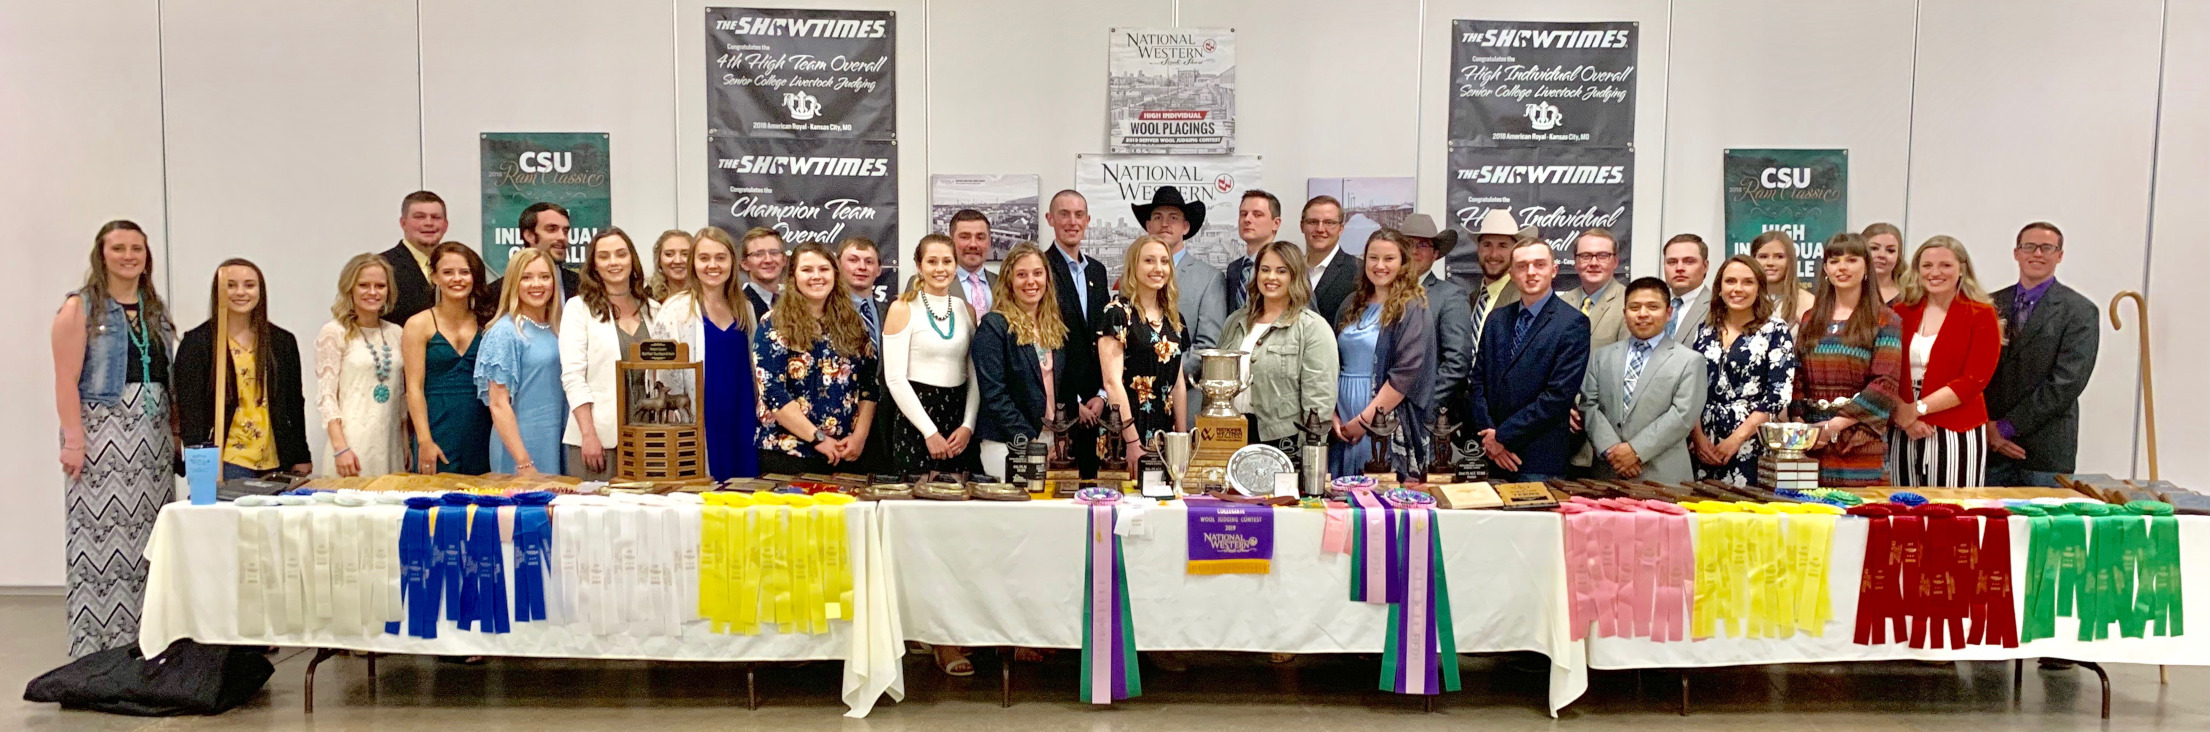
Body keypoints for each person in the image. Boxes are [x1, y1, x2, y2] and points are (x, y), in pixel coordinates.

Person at [50, 220, 176, 657]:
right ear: (101, 255)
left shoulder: (155, 310)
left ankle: (148, 637)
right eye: (118, 248)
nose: (128, 256)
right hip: (102, 434)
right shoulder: (79, 308)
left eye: (136, 248)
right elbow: (66, 380)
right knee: (100, 536)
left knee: (151, 539)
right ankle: (97, 646)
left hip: (153, 440)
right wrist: (73, 440)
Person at [1467, 236, 1592, 483]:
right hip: (1490, 458)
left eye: (1539, 264)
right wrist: (1489, 439)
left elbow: (1557, 397)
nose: (1531, 272)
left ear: (1554, 270)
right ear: (1512, 273)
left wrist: (1501, 437)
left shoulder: (1573, 323)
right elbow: (1477, 382)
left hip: (1538, 459)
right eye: (1522, 266)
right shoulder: (1495, 320)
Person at [175, 258, 312, 480]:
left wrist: (301, 454)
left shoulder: (282, 341)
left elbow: (294, 402)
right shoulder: (197, 343)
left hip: (276, 458)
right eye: (231, 285)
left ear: (260, 291)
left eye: (249, 285)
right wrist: (198, 462)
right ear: (218, 290)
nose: (241, 292)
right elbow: (190, 409)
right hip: (227, 460)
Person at [1986, 222, 2099, 487]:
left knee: (2044, 527)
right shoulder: (1987, 305)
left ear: (2059, 255)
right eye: (2029, 246)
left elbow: (2066, 383)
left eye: (2046, 248)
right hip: (1988, 448)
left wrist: (2006, 427)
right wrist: (1987, 429)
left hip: (2044, 450)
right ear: (2016, 253)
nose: (2037, 253)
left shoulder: (2080, 311)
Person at [1888, 236, 2003, 487]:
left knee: (1952, 513)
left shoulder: (1981, 314)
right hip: (1905, 428)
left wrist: (1918, 409)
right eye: (1927, 265)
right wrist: (1903, 414)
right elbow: (1885, 371)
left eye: (1945, 265)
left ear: (1962, 269)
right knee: (1903, 512)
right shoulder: (1901, 312)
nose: (1935, 272)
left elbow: (1975, 379)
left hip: (1957, 428)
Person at [755, 242, 880, 474]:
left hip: (845, 453)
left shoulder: (852, 323)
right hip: (789, 454)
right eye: (807, 270)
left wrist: (859, 438)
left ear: (835, 273)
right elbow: (773, 393)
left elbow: (869, 387)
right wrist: (818, 438)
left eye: (823, 269)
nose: (816, 276)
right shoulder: (774, 323)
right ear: (793, 277)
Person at [1790, 233, 1903, 487]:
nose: (1842, 267)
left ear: (1866, 267)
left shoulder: (1886, 319)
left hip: (1859, 440)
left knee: (1857, 520)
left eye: (1851, 260)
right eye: (1834, 260)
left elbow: (1884, 384)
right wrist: (1800, 425)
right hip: (1810, 443)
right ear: (1826, 269)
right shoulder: (1810, 318)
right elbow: (1797, 376)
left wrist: (1833, 426)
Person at [1329, 229, 1436, 479]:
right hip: (1341, 416)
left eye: (1389, 259)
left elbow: (1405, 375)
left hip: (1381, 420)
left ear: (1403, 263)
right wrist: (1330, 414)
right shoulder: (1351, 303)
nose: (1379, 266)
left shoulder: (1412, 307)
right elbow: (1330, 361)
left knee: (1375, 497)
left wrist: (1364, 422)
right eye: (1373, 258)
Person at [656, 227, 760, 480]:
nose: (713, 265)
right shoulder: (675, 310)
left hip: (741, 412)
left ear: (732, 262)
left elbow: (755, 364)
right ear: (693, 263)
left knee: (743, 491)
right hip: (700, 415)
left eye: (720, 257)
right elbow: (663, 374)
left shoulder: (745, 307)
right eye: (704, 258)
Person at [1581, 276, 1707, 484]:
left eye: (1652, 307)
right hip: (1608, 474)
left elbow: (1682, 416)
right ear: (1625, 313)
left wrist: (1635, 451)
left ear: (1668, 313)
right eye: (1634, 307)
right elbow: (1589, 406)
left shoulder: (1690, 360)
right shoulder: (1601, 357)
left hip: (1664, 477)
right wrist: (1613, 450)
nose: (1642, 314)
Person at [1219, 240, 1338, 459]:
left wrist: (1310, 455)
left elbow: (1319, 400)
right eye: (1265, 270)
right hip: (1231, 436)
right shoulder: (1235, 322)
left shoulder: (1313, 328)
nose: (1271, 277)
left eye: (1281, 271)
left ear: (1295, 276)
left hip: (1285, 441)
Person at [1689, 255, 1799, 486]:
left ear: (1759, 288)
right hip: (1704, 443)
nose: (1738, 289)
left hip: (1751, 440)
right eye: (1730, 281)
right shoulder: (1706, 329)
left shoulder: (1775, 330)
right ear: (1719, 288)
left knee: (1746, 516)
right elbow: (1691, 388)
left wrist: (1735, 440)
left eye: (1748, 282)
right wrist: (1698, 438)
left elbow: (1778, 395)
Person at [560, 228, 657, 480]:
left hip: (650, 434)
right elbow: (573, 377)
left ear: (632, 260)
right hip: (599, 438)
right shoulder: (578, 309)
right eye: (604, 256)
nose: (614, 262)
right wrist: (588, 435)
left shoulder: (654, 310)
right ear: (594, 265)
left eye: (620, 254)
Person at [883, 234, 981, 475]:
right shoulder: (901, 308)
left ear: (955, 266)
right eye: (932, 261)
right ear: (919, 266)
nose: (940, 269)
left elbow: (974, 375)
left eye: (947, 262)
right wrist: (929, 431)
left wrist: (968, 425)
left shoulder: (965, 310)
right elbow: (894, 378)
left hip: (957, 420)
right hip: (916, 417)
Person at [975, 242, 1070, 478]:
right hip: (1007, 443)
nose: (1031, 281)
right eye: (1021, 275)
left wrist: (1057, 436)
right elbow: (995, 394)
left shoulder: (1053, 326)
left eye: (1038, 273)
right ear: (1009, 281)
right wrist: (1029, 440)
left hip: (1048, 439)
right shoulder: (994, 325)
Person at [1136, 187, 1226, 431]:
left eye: (1173, 217)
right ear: (1148, 225)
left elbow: (1207, 346)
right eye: (1158, 217)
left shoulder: (1210, 278)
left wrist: (1162, 374)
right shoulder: (1132, 281)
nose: (1165, 224)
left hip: (1186, 403)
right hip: (1138, 406)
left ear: (1186, 227)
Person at [403, 242, 495, 474]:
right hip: (436, 428)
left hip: (482, 427)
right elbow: (413, 388)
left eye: (464, 272)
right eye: (448, 272)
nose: (457, 279)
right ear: (434, 277)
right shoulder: (418, 324)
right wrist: (424, 441)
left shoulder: (488, 323)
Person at [476, 248, 567, 475]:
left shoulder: (560, 329)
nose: (537, 284)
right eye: (526, 277)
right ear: (514, 283)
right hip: (521, 448)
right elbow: (498, 405)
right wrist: (523, 462)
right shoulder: (505, 333)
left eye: (544, 277)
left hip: (557, 440)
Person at [316, 254, 408, 477]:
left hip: (390, 444)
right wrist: (341, 448)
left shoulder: (396, 333)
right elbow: (326, 396)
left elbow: (402, 397)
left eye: (380, 285)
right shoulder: (334, 332)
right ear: (350, 289)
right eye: (364, 285)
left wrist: (405, 443)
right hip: (351, 448)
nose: (373, 292)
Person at [1100, 235, 1188, 466]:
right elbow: (1112, 383)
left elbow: (1177, 383)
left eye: (1164, 261)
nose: (1158, 268)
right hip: (1126, 431)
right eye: (1149, 261)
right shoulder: (1117, 314)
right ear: (1134, 266)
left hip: (1164, 429)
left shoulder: (1175, 320)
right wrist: (1132, 442)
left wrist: (1181, 438)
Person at [1046, 191, 1111, 478]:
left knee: (1097, 489)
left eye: (1078, 215)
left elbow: (1105, 338)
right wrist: (1072, 401)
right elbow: (1044, 341)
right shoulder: (1040, 269)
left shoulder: (1098, 270)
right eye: (1064, 214)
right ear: (1050, 219)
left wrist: (1101, 393)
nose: (1072, 222)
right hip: (1058, 404)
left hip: (1097, 404)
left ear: (1088, 220)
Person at [1401, 214, 1475, 446]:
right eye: (1408, 244)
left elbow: (1457, 361)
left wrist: (1427, 404)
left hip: (1424, 416)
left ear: (1435, 254)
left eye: (1423, 245)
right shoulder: (1381, 293)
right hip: (1381, 413)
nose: (1415, 251)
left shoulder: (1450, 296)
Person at [379, 190, 451, 326]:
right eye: (419, 217)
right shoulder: (383, 266)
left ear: (446, 225)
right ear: (403, 223)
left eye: (435, 217)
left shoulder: (460, 267)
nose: (429, 223)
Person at [489, 202, 581, 300]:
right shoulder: (495, 294)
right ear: (530, 236)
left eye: (565, 231)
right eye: (552, 229)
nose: (562, 237)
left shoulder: (582, 286)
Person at [1561, 227, 1628, 351]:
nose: (1593, 263)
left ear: (1615, 262)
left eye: (1602, 256)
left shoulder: (1628, 304)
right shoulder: (1561, 303)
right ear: (1575, 262)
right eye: (1586, 256)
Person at [1302, 195, 1360, 321]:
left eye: (1329, 223)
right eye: (1313, 222)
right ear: (1302, 226)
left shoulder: (1358, 272)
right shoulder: (1289, 269)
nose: (1320, 229)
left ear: (1340, 229)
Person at [1224, 189, 1282, 314]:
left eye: (1257, 214)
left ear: (1276, 223)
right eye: (1243, 214)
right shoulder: (1234, 269)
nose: (1247, 219)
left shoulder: (1288, 266)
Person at [1468, 209, 1522, 326]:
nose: (1493, 254)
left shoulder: (1523, 298)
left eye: (1502, 246)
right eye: (1487, 245)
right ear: (1478, 249)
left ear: (1515, 251)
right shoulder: (1471, 299)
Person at [1659, 234, 1712, 345]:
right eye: (1672, 262)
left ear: (1705, 266)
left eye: (1689, 261)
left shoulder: (1718, 307)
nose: (1679, 268)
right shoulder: (1654, 307)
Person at [1752, 231, 1816, 322]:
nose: (1770, 263)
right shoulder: (1745, 300)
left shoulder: (1808, 302)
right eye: (1763, 256)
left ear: (1790, 261)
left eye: (1779, 256)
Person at [839, 236, 886, 347]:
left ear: (879, 270)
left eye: (869, 262)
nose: (862, 267)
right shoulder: (826, 310)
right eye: (853, 260)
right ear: (838, 265)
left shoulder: (889, 313)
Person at [947, 209, 997, 313]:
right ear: (951, 241)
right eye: (965, 237)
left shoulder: (1004, 284)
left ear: (989, 241)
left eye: (980, 237)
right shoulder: (926, 283)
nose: (973, 244)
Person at [739, 227, 787, 323]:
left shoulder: (794, 303)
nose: (768, 260)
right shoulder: (738, 305)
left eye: (774, 252)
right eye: (759, 254)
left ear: (784, 260)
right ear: (745, 264)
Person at [1863, 222, 1905, 304]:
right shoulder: (1848, 292)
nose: (1882, 255)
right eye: (1874, 248)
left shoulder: (1911, 296)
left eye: (1890, 250)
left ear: (1898, 256)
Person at [647, 229, 694, 301]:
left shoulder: (706, 296)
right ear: (659, 260)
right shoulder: (646, 298)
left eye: (685, 254)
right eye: (669, 254)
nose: (677, 261)